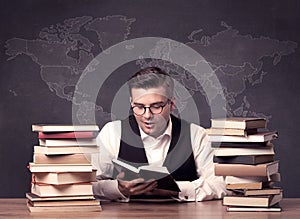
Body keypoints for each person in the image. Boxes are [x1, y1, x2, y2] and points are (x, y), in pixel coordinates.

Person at [92, 66, 229, 202]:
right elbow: (87, 185)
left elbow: (220, 185)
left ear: (172, 104)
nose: (147, 115)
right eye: (139, 107)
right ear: (131, 103)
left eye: (156, 106)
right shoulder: (112, 132)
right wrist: (118, 189)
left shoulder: (196, 134)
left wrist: (178, 189)